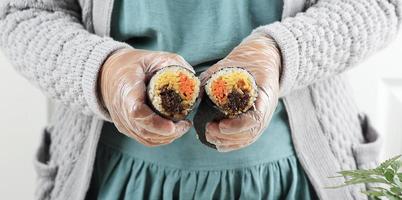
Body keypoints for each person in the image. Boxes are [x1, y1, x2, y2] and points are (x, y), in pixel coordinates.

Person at [0, 0, 400, 199]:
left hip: (297, 179)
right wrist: (103, 70)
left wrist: (280, 53)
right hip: (114, 178)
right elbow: (25, 13)